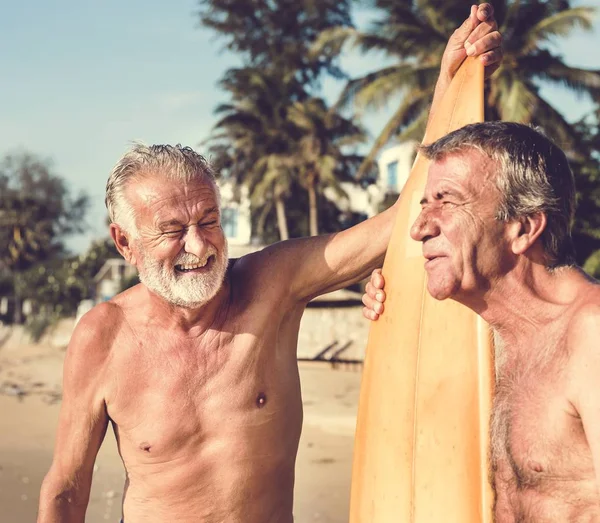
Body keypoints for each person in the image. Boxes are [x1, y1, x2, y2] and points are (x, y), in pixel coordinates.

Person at [37, 6, 502, 522]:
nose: (199, 246)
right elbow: (65, 489)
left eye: (209, 220)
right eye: (172, 230)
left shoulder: (274, 284)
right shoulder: (102, 337)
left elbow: (399, 220)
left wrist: (449, 85)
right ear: (124, 242)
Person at [361, 121, 600, 521]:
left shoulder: (591, 335)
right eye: (424, 205)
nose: (419, 228)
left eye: (447, 202)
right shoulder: (490, 336)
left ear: (523, 227)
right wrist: (394, 299)